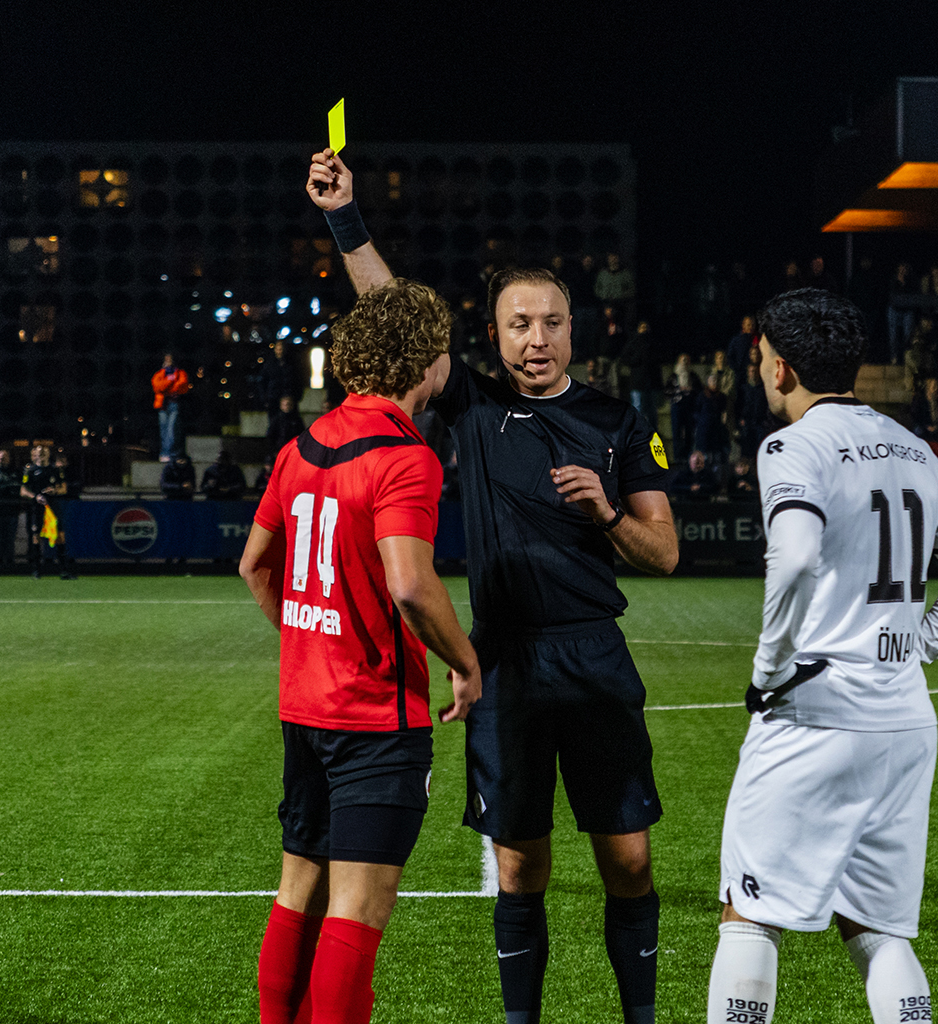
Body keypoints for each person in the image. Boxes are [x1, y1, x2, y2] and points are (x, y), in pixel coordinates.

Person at [309, 147, 679, 1024]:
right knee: (520, 866)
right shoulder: (472, 407)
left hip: (594, 657)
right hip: (506, 662)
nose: (536, 339)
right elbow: (392, 315)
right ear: (494, 334)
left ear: (574, 329)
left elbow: (663, 551)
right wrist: (344, 216)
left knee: (629, 861)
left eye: (551, 322)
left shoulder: (617, 420)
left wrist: (605, 514)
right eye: (519, 324)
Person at [705, 289, 938, 1024]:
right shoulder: (912, 447)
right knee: (877, 927)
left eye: (762, 357)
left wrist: (769, 670)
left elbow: (795, 556)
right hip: (903, 721)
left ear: (781, 368)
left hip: (814, 714)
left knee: (749, 913)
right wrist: (919, 644)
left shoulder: (792, 446)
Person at [238, 275, 481, 1024]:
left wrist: (314, 641)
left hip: (305, 710)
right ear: (426, 361)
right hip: (375, 721)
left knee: (299, 891)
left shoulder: (302, 446)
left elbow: (254, 565)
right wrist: (466, 661)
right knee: (357, 910)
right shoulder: (407, 457)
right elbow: (410, 585)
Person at [21, 444, 74, 579]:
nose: (42, 454)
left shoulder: (55, 470)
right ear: (36, 455)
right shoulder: (30, 470)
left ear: (48, 454)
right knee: (36, 537)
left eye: (44, 452)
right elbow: (23, 490)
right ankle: (36, 570)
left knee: (60, 536)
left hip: (53, 507)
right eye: (40, 452)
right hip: (37, 508)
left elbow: (63, 488)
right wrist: (35, 497)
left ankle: (64, 570)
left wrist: (54, 491)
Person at [152, 353, 191, 461]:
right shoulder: (159, 374)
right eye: (166, 360)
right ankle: (165, 453)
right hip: (162, 406)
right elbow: (157, 387)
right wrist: (170, 381)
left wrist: (167, 387)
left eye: (170, 360)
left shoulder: (180, 373)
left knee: (172, 430)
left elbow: (182, 386)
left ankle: (171, 453)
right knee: (163, 431)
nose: (168, 362)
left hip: (174, 404)